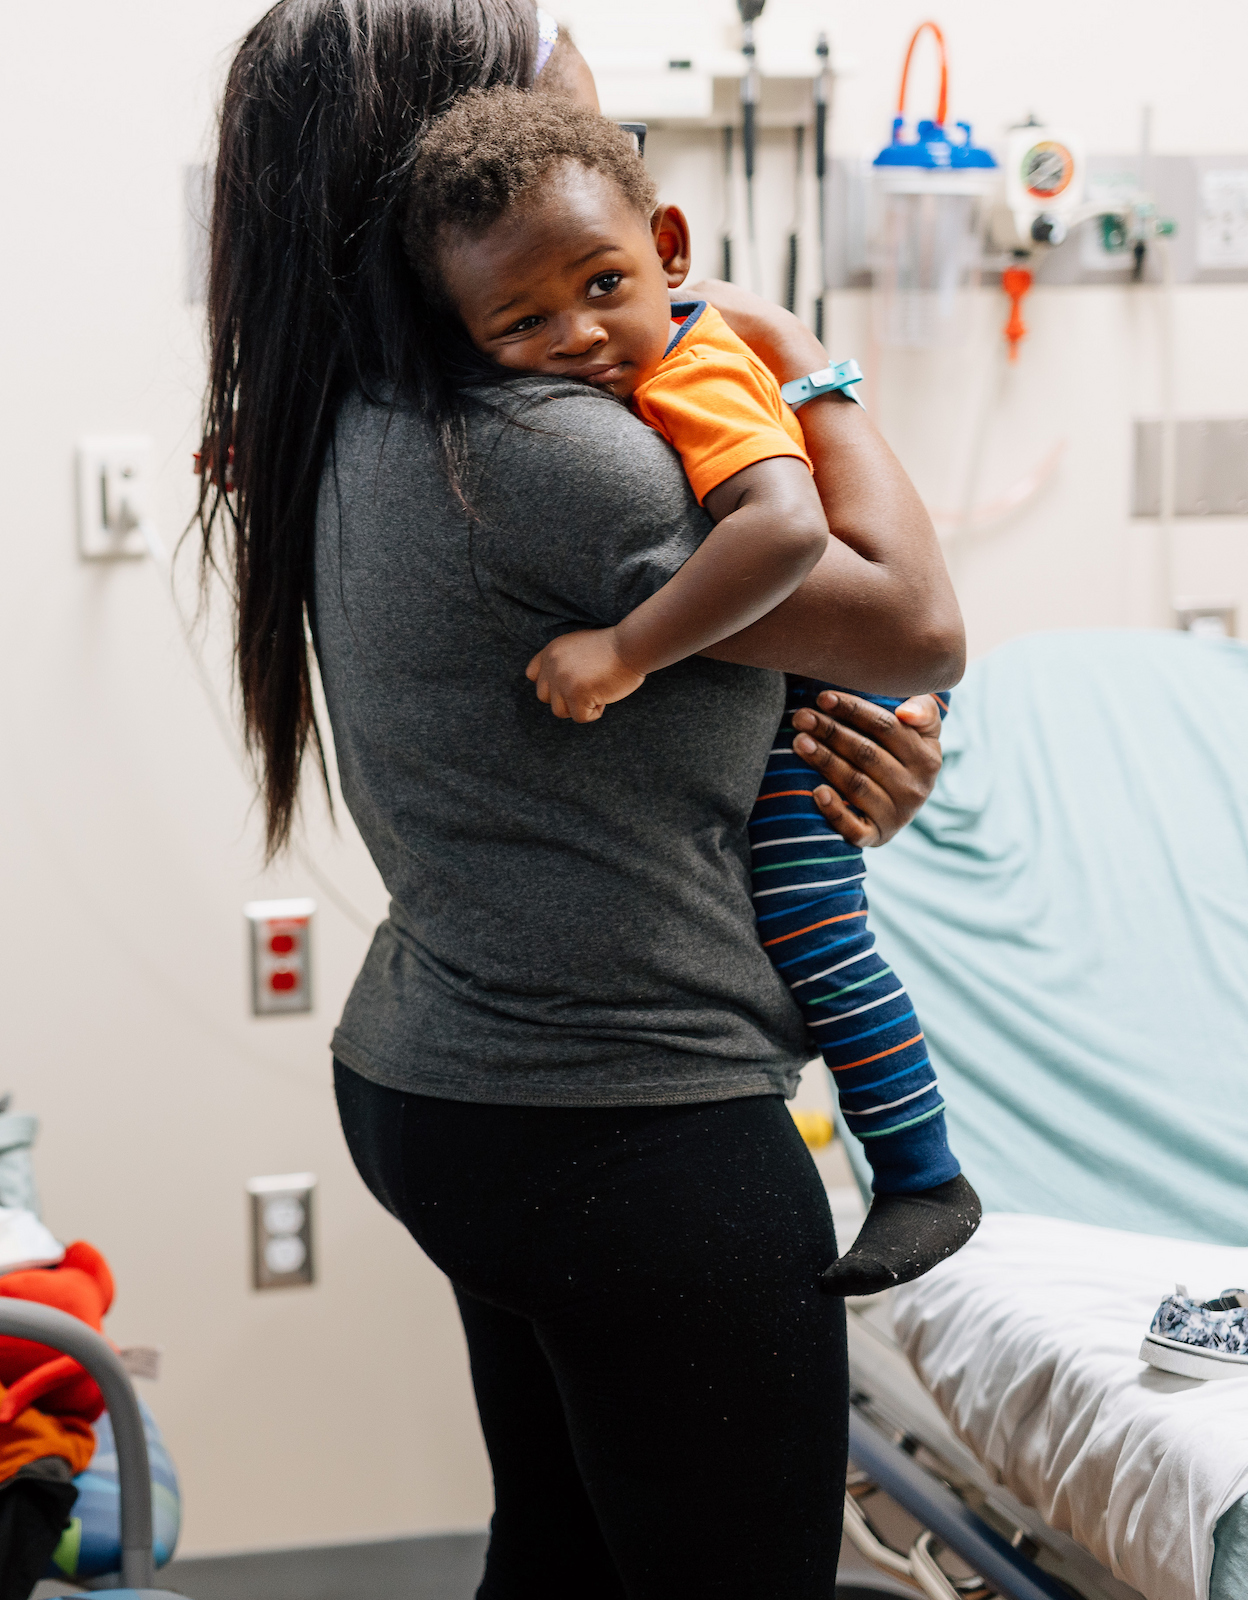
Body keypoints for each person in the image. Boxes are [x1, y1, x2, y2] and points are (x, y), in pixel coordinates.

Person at [195, 3, 963, 1595]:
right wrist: (784, 347)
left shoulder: (345, 410)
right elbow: (914, 619)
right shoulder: (548, 452)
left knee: (561, 1558)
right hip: (628, 1121)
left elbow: (728, 702)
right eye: (547, 53)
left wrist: (827, 770)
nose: (587, 73)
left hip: (456, 1078)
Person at [397, 87, 982, 1292]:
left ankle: (922, 1173)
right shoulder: (643, 356)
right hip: (800, 692)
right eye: (520, 322)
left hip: (822, 704)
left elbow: (778, 530)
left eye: (603, 286)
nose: (575, 337)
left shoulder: (694, 368)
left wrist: (629, 650)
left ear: (667, 250)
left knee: (822, 937)